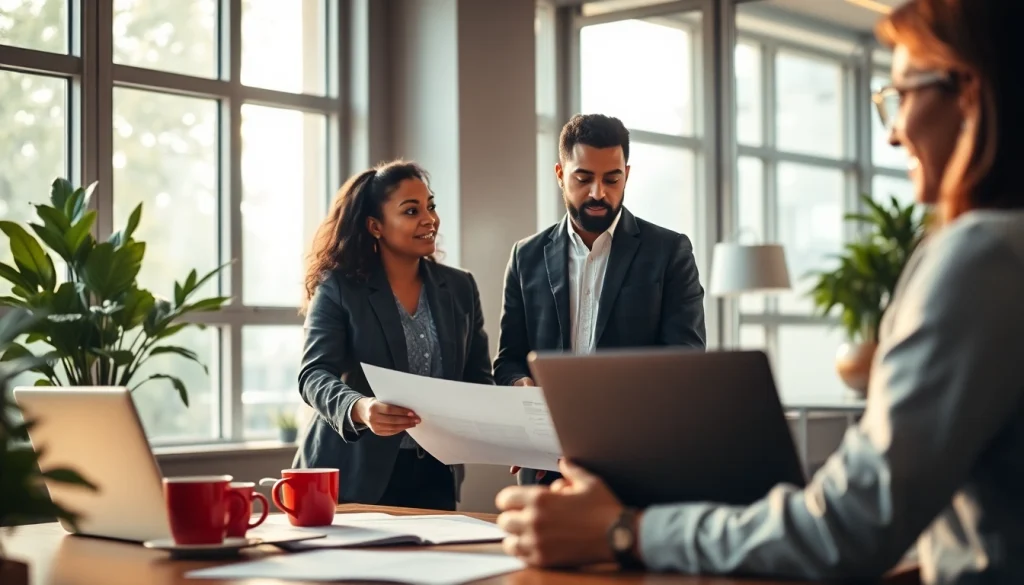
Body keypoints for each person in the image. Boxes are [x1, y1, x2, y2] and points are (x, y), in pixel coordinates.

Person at [495, 0, 1024, 582]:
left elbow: (850, 526)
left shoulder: (982, 255)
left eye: (900, 93)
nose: (893, 131)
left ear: (967, 93)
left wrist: (624, 529)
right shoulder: (1001, 248)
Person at [493, 113, 707, 486]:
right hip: (545, 466)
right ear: (560, 174)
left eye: (612, 179)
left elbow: (683, 361)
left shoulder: (669, 251)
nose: (597, 193)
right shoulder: (525, 257)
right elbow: (509, 359)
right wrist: (520, 390)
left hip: (637, 464)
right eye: (583, 178)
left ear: (627, 173)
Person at [295, 160, 493, 510]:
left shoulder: (460, 288)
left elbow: (477, 379)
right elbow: (313, 374)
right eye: (411, 210)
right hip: (354, 472)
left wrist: (517, 435)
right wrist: (360, 407)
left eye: (430, 206)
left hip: (434, 473)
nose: (429, 219)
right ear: (375, 226)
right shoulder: (340, 288)